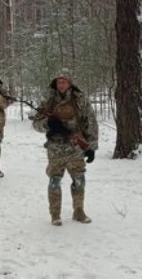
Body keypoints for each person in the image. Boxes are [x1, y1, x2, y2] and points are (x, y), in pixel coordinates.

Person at [32, 69, 98, 226]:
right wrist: (48, 124)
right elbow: (36, 124)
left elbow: (91, 122)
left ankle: (79, 211)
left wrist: (91, 146)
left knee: (79, 179)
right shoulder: (48, 101)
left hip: (75, 146)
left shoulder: (80, 99)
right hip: (55, 148)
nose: (61, 84)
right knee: (54, 181)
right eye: (58, 82)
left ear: (70, 83)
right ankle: (55, 214)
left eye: (64, 81)